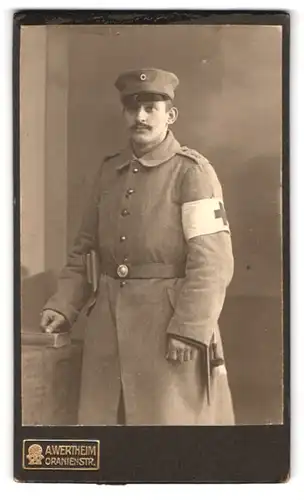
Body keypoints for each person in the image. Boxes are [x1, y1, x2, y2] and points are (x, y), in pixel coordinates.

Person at [40, 68, 235, 425]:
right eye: (132, 108)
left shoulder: (192, 173)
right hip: (107, 332)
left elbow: (213, 263)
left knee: (168, 442)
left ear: (170, 115)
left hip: (169, 332)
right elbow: (84, 250)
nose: (141, 116)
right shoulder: (108, 172)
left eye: (151, 108)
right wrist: (64, 305)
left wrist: (189, 330)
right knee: (109, 438)